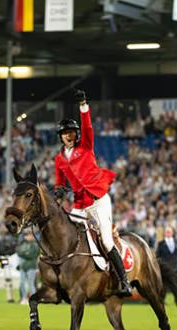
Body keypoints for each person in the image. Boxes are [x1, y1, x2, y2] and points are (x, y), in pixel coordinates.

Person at [53, 89, 132, 296]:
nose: (68, 136)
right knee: (68, 235)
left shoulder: (86, 145)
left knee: (106, 240)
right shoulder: (59, 159)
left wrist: (83, 106)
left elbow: (87, 126)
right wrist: (58, 192)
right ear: (61, 137)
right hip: (79, 204)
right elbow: (60, 182)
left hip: (98, 200)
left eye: (71, 132)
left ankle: (124, 281)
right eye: (65, 133)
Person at [16, 232, 39, 305]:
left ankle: (34, 299)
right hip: (23, 266)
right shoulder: (23, 244)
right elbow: (19, 252)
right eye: (26, 236)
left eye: (29, 235)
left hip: (31, 266)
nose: (27, 237)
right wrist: (26, 253)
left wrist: (25, 253)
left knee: (31, 283)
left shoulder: (35, 245)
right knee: (22, 283)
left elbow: (32, 254)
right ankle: (24, 298)